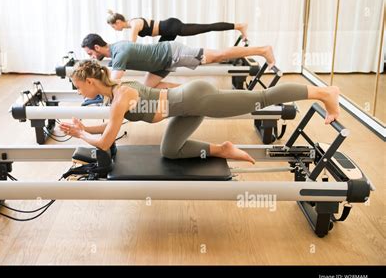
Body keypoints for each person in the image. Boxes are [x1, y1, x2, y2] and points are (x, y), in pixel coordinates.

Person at [59, 60, 341, 163]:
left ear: (91, 81)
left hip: (197, 99)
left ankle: (324, 92)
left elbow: (106, 142)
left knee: (261, 98)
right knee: (169, 149)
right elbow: (109, 129)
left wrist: (81, 133)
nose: (79, 92)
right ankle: (222, 148)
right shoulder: (115, 95)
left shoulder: (120, 96)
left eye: (79, 87)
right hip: (186, 108)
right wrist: (82, 130)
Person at [81, 33, 276, 88]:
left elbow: (114, 82)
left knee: (218, 55)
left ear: (97, 48)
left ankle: (262, 49)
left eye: (90, 53)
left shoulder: (119, 52)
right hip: (160, 64)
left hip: (171, 53)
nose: (91, 57)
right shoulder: (116, 51)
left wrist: (96, 89)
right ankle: (196, 93)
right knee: (149, 88)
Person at [106, 10, 248, 43]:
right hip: (167, 31)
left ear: (118, 22)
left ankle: (239, 26)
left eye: (113, 27)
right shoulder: (132, 23)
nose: (115, 30)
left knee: (206, 27)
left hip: (171, 27)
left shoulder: (134, 24)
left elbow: (132, 45)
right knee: (162, 54)